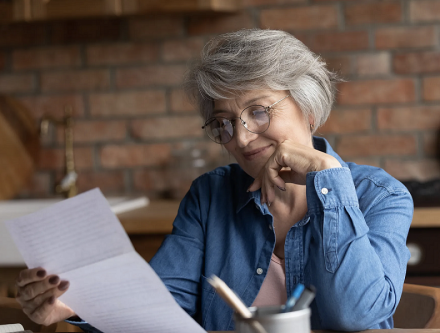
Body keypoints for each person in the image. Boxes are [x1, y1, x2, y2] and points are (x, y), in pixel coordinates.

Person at [15, 29, 413, 332]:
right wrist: (77, 303)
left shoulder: (380, 196)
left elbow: (357, 314)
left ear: (308, 109)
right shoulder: (210, 195)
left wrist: (328, 181)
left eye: (258, 112)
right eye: (222, 123)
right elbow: (162, 308)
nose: (239, 138)